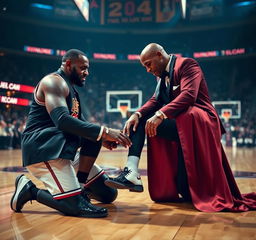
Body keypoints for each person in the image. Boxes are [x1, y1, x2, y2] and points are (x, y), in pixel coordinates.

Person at [105, 43, 256, 212]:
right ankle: (131, 172)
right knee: (185, 190)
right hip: (183, 122)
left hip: (200, 121)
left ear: (159, 55)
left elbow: (189, 95)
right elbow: (155, 100)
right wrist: (137, 114)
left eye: (148, 64)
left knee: (146, 121)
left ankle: (131, 172)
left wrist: (160, 114)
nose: (147, 69)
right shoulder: (161, 76)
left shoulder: (187, 64)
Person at [10, 49, 132, 218]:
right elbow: (62, 120)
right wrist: (105, 131)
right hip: (43, 149)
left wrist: (102, 138)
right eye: (83, 68)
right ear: (68, 64)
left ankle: (79, 188)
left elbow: (84, 126)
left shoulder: (71, 90)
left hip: (61, 147)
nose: (87, 72)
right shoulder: (53, 82)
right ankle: (30, 190)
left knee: (108, 194)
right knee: (74, 207)